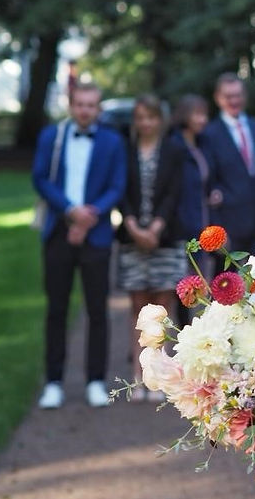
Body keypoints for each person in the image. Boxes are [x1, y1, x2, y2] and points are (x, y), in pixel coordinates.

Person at [32, 82, 127, 409]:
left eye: (91, 105)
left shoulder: (113, 142)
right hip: (58, 231)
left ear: (98, 109)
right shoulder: (51, 137)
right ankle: (54, 382)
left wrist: (92, 214)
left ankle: (96, 381)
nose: (85, 110)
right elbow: (40, 178)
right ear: (71, 106)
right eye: (80, 104)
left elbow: (117, 185)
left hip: (97, 234)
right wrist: (70, 211)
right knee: (56, 309)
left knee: (97, 310)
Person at [115, 94, 187, 402]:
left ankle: (161, 377)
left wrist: (156, 227)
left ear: (161, 119)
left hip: (165, 237)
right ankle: (138, 376)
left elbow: (174, 193)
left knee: (162, 310)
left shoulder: (173, 149)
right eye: (140, 117)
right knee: (138, 309)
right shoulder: (125, 150)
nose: (146, 123)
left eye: (151, 117)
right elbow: (121, 190)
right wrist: (132, 225)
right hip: (133, 238)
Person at [202, 73, 255, 257]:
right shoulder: (210, 134)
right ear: (218, 98)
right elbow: (210, 185)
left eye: (237, 95)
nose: (234, 100)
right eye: (228, 96)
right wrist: (217, 231)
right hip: (230, 226)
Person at [168, 93, 212, 324]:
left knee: (200, 279)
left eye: (204, 114)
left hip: (201, 218)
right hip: (184, 223)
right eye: (197, 114)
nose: (203, 119)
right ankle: (186, 333)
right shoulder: (175, 144)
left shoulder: (201, 143)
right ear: (185, 115)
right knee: (187, 284)